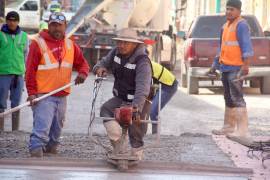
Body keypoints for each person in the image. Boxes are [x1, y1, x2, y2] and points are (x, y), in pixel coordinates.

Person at [25, 12, 89, 157]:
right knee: (42, 129)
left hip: (62, 95)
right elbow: (29, 72)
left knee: (56, 130)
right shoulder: (38, 44)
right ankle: (35, 156)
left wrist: (83, 73)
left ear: (65, 26)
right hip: (43, 95)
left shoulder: (70, 45)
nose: (56, 29)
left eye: (59, 26)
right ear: (48, 26)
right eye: (53, 25)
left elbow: (83, 63)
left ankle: (51, 154)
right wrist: (31, 93)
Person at [93, 28, 152, 160]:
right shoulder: (115, 53)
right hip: (120, 98)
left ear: (135, 44)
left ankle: (136, 154)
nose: (121, 45)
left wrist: (136, 108)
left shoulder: (143, 61)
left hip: (138, 101)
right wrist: (99, 68)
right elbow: (102, 63)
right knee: (106, 110)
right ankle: (120, 147)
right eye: (119, 42)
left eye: (125, 43)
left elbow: (142, 88)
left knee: (135, 128)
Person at [210, 0, 254, 145]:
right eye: (227, 9)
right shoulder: (225, 26)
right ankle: (228, 127)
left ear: (239, 11)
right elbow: (221, 48)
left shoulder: (241, 25)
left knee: (237, 97)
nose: (229, 12)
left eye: (232, 9)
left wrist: (245, 66)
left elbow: (246, 47)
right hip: (225, 67)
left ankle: (242, 131)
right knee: (228, 97)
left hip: (236, 68)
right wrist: (214, 65)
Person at [0, 11, 28, 131]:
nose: (12, 22)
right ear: (6, 21)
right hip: (2, 74)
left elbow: (26, 55)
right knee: (1, 103)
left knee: (16, 104)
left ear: (18, 22)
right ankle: (1, 130)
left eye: (14, 20)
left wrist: (26, 72)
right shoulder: (0, 35)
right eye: (10, 20)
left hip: (18, 75)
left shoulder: (24, 36)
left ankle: (15, 131)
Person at [149, 61, 178, 134]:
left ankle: (155, 135)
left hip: (168, 86)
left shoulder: (145, 65)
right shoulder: (144, 63)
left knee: (153, 112)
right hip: (163, 84)